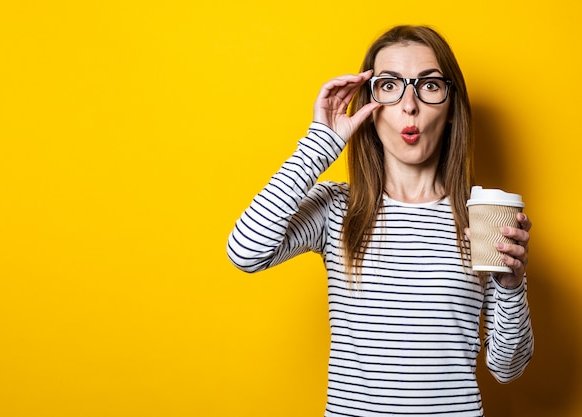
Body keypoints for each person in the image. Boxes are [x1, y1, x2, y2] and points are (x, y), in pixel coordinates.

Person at [226, 25, 533, 416]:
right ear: (369, 108)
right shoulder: (339, 208)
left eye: (429, 85)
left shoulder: (483, 218)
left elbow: (508, 368)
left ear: (453, 106)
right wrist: (321, 142)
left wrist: (511, 286)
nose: (409, 105)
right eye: (389, 85)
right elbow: (245, 252)